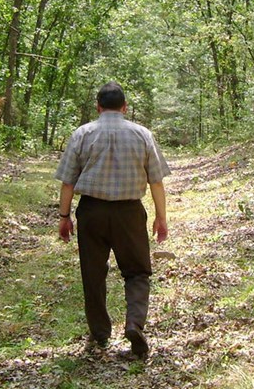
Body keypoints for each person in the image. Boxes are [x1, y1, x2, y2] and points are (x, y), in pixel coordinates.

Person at [55, 81, 169, 357]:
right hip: (129, 213)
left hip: (91, 212)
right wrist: (161, 217)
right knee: (137, 271)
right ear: (125, 107)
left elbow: (68, 182)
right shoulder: (142, 134)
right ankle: (134, 323)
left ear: (98, 107)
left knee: (93, 273)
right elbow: (156, 181)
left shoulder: (83, 133)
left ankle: (100, 333)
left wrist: (64, 216)